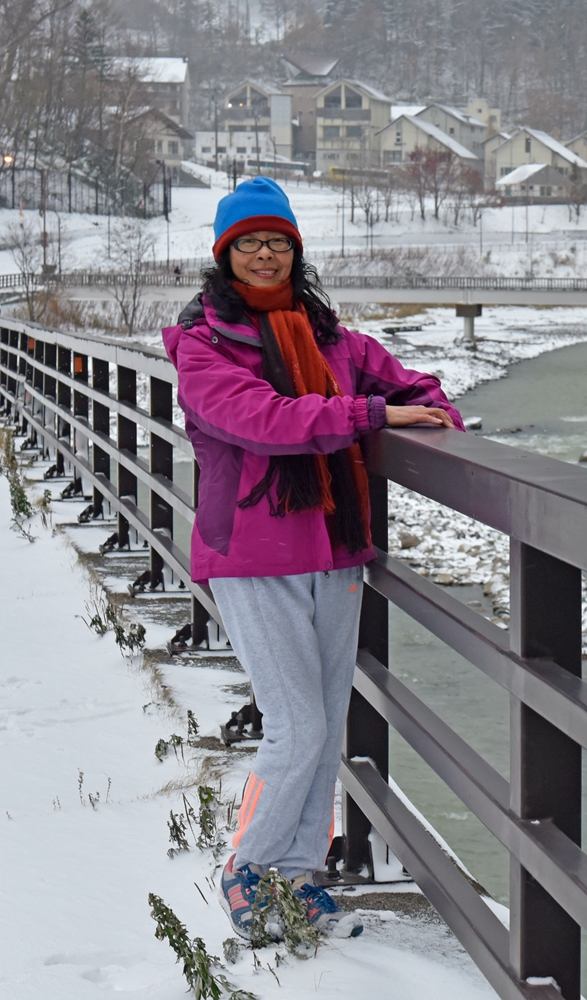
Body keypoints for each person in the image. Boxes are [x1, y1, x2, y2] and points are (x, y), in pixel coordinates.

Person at [162, 177, 461, 942]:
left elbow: (409, 385)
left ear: (296, 250)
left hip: (333, 550)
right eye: (249, 244)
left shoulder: (332, 339)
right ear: (225, 256)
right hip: (255, 556)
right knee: (294, 726)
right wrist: (371, 414)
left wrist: (433, 411)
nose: (265, 255)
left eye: (278, 242)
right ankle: (247, 870)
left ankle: (296, 876)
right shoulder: (200, 344)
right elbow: (261, 419)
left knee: (326, 729)